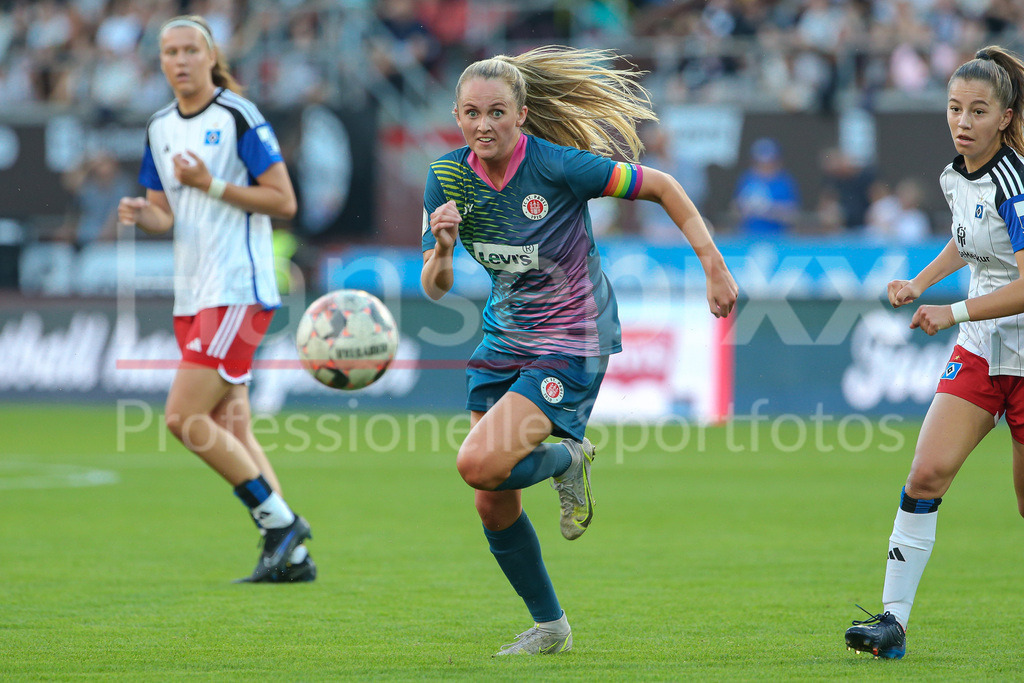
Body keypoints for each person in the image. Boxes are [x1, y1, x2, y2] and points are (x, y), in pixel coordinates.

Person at [421, 46, 738, 656]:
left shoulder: (559, 166)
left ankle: (568, 460)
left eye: (496, 112)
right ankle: (551, 628)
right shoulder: (446, 177)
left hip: (572, 338)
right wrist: (440, 249)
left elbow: (663, 186)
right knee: (492, 500)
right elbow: (434, 288)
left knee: (474, 464)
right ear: (456, 115)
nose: (483, 125)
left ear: (522, 114)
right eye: (470, 113)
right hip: (502, 339)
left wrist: (713, 266)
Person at [117, 15, 314, 583]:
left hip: (237, 288)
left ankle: (281, 525)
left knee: (182, 418)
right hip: (194, 293)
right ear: (160, 62)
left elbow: (283, 201)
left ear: (210, 57)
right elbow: (165, 212)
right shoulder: (159, 127)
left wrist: (213, 185)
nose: (179, 60)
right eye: (169, 51)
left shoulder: (237, 117)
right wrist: (141, 213)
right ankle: (292, 559)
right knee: (233, 428)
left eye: (189, 50)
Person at [845, 45, 1024, 659]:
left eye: (978, 110)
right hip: (979, 353)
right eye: (954, 108)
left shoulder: (1014, 182)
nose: (963, 121)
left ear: (1004, 118)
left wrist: (952, 310)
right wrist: (921, 283)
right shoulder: (957, 175)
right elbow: (966, 240)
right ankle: (891, 625)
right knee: (925, 474)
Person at [732, 137, 800, 236]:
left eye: (769, 162)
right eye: (760, 162)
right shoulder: (747, 179)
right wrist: (743, 209)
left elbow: (794, 214)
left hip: (778, 237)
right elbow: (734, 209)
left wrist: (769, 210)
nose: (764, 166)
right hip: (749, 236)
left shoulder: (784, 181)